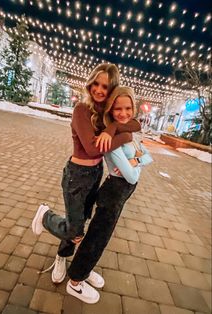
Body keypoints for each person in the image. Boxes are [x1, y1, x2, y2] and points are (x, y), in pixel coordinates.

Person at [32, 64, 141, 303]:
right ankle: (46, 218)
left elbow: (133, 127)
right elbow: (92, 147)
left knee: (81, 220)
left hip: (95, 175)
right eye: (97, 83)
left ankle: (69, 257)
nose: (99, 90)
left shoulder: (106, 113)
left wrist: (111, 129)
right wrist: (115, 135)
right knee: (75, 228)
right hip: (76, 175)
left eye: (105, 86)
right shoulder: (81, 109)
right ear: (90, 82)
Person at [65, 86, 153, 303]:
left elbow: (147, 157)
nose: (124, 113)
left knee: (100, 238)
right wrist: (137, 160)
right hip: (114, 191)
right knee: (97, 239)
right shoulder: (112, 141)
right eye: (118, 109)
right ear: (111, 111)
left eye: (128, 108)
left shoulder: (125, 132)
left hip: (119, 192)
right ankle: (75, 280)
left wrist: (136, 161)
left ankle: (84, 270)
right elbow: (132, 176)